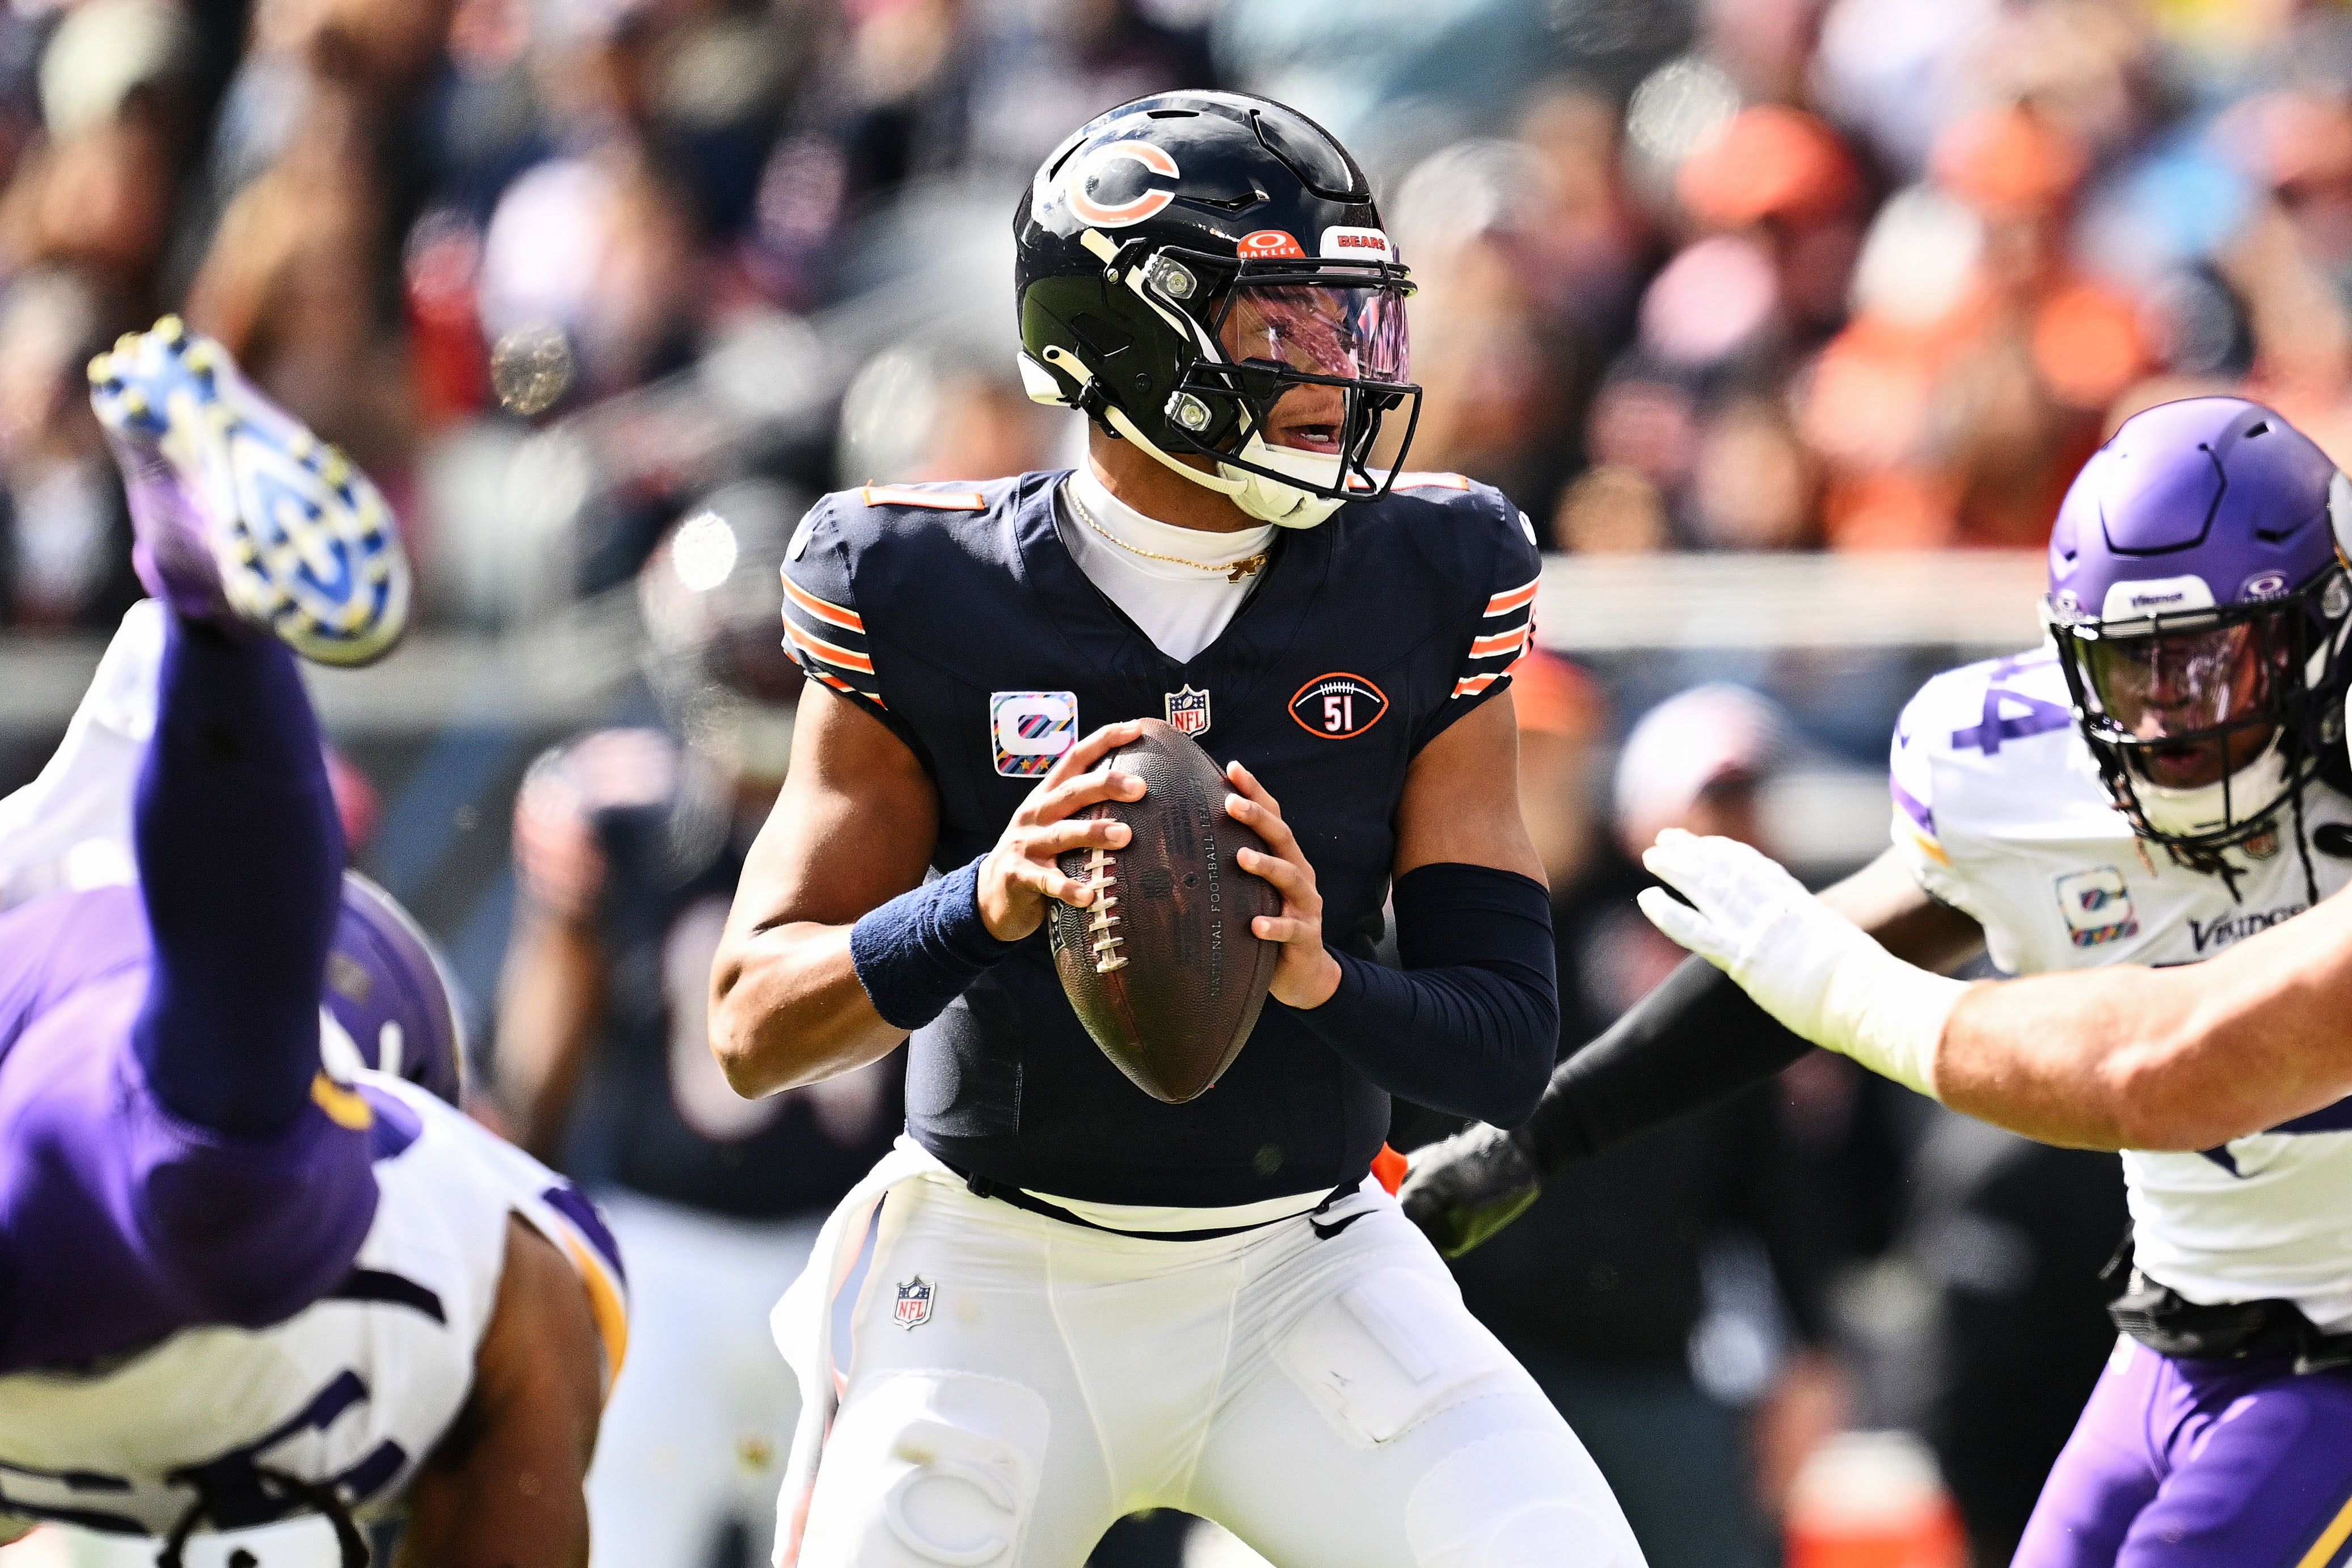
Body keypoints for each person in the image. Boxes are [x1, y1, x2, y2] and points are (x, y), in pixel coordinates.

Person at [709, 91, 1646, 1568]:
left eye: (1354, 322)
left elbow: (1504, 1040)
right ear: (1124, 336)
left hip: (1305, 1266)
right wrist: (982, 900)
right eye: (1286, 325)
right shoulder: (915, 581)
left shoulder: (1431, 572)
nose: (1341, 370)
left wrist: (1321, 976)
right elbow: (754, 1022)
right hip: (991, 1279)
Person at [1407, 397, 2352, 1566]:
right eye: (2129, 667)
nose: (2164, 717)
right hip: (2174, 1332)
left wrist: (1850, 994)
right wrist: (1544, 1134)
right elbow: (1790, 974)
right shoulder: (2032, 771)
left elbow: (2165, 1066)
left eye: (2209, 664)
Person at [0, 321, 623, 1566]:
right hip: (155, 1139)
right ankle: (213, 613)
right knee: (209, 1161)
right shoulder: (478, 1207)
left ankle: (210, 616)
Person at [497, 481, 901, 1568]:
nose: (768, 679)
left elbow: (540, 1071)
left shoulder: (901, 815)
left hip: (842, 1243)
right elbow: (543, 1062)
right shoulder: (617, 815)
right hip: (685, 1250)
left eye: (785, 659)